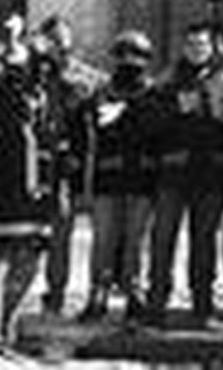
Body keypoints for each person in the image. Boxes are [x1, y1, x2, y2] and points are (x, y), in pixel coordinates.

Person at [0, 39, 62, 348]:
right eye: (33, 65)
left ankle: (6, 323)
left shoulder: (46, 100)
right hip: (2, 187)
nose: (37, 72)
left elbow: (54, 146)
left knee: (29, 261)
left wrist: (59, 188)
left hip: (37, 193)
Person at [141, 23, 223, 327]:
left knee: (204, 242)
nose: (197, 49)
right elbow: (150, 127)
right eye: (192, 44)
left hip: (210, 176)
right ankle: (156, 305)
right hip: (173, 174)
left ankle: (202, 306)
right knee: (162, 239)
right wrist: (175, 111)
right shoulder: (167, 83)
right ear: (183, 48)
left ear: (211, 49)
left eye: (202, 45)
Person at [77, 30, 157, 322]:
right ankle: (97, 293)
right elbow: (95, 128)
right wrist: (127, 116)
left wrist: (123, 114)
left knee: (136, 240)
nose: (128, 60)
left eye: (135, 55)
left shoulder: (153, 92)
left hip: (142, 176)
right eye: (122, 54)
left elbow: (152, 129)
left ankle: (134, 293)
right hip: (107, 176)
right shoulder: (101, 92)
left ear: (146, 60)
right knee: (104, 240)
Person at [28, 14, 102, 316]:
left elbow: (94, 97)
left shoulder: (81, 76)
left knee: (60, 230)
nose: (58, 44)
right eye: (52, 39)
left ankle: (55, 292)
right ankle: (18, 291)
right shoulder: (30, 73)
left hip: (63, 164)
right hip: (31, 161)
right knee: (26, 231)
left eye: (62, 39)